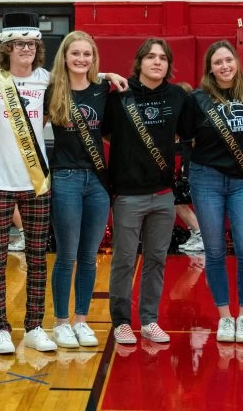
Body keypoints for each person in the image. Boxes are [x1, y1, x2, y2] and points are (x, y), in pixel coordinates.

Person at [0, 13, 127, 355]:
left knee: (38, 258)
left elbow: (83, 78)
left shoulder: (48, 81)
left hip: (38, 183)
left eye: (31, 44)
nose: (25, 49)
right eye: (18, 44)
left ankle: (34, 326)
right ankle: (0, 328)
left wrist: (106, 74)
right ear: (6, 48)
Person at [103, 38, 192, 345]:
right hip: (128, 194)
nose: (157, 62)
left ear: (168, 64)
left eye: (163, 58)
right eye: (151, 57)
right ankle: (122, 322)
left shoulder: (177, 96)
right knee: (125, 260)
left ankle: (150, 319)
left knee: (157, 259)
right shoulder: (118, 96)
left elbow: (194, 129)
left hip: (164, 194)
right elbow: (104, 133)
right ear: (139, 62)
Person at [185, 40, 243, 344]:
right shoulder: (197, 99)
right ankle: (225, 318)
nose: (225, 66)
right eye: (218, 62)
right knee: (214, 251)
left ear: (237, 63)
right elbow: (186, 137)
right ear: (210, 68)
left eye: (229, 60)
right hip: (207, 180)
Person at [45, 31, 111, 348]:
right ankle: (60, 322)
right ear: (65, 57)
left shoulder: (103, 89)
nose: (81, 59)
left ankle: (81, 320)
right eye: (75, 54)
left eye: (87, 54)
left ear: (93, 58)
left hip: (98, 181)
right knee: (67, 255)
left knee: (89, 255)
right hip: (65, 178)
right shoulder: (52, 90)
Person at [174, 82, 204, 253]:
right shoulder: (177, 118)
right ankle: (197, 233)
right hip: (178, 168)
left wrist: (186, 170)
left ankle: (200, 234)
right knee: (177, 203)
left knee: (178, 203)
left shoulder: (190, 119)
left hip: (186, 168)